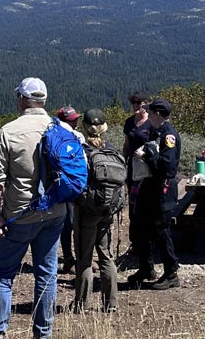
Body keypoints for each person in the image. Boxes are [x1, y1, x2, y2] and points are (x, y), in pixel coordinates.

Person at [0, 77, 65, 339]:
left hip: (19, 214)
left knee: (2, 274)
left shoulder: (9, 131)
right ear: (44, 101)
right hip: (54, 212)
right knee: (46, 274)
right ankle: (43, 333)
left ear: (22, 99)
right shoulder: (62, 128)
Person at [128, 98, 181, 290]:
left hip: (162, 190)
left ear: (158, 114)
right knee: (141, 228)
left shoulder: (169, 135)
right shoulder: (156, 131)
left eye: (150, 113)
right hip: (148, 188)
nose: (147, 115)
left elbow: (166, 168)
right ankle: (146, 268)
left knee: (160, 230)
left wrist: (147, 156)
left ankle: (171, 272)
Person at [73, 108, 122, 313]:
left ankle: (82, 304)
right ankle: (111, 304)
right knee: (106, 256)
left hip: (87, 210)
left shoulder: (82, 150)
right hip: (108, 210)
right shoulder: (112, 150)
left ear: (84, 127)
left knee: (84, 258)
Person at [121, 91, 151, 267]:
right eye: (134, 103)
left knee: (146, 204)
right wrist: (122, 163)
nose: (136, 106)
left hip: (146, 171)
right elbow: (126, 145)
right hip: (132, 171)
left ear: (146, 104)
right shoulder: (129, 123)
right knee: (133, 205)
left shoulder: (151, 124)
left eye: (139, 103)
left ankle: (146, 240)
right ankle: (135, 241)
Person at [55, 105, 83, 274]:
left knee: (72, 223)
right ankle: (69, 258)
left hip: (68, 184)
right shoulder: (74, 136)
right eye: (72, 120)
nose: (75, 122)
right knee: (69, 223)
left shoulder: (57, 135)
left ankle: (74, 257)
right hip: (69, 185)